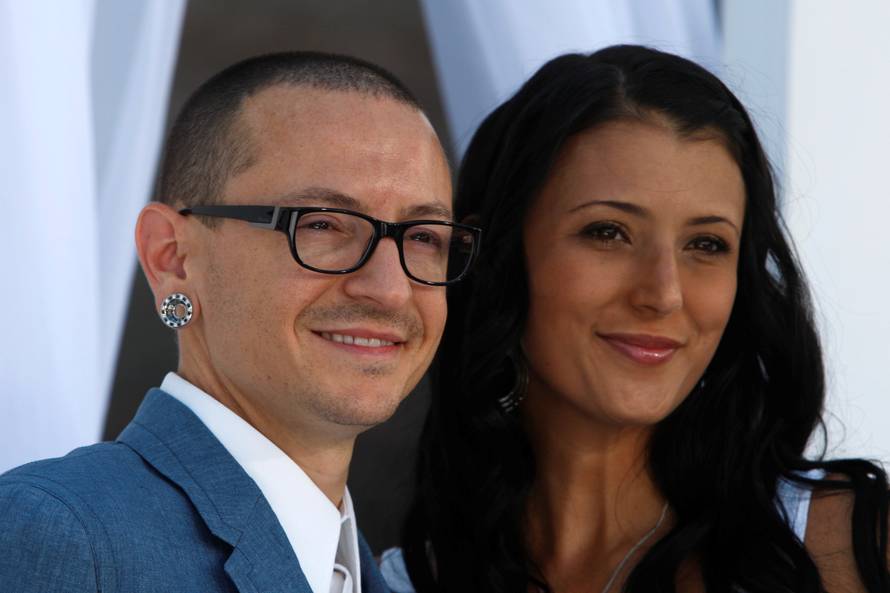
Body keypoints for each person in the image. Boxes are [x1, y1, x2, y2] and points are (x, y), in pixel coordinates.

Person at [382, 45, 889, 592]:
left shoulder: (853, 545)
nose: (664, 294)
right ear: (495, 255)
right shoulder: (400, 581)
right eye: (608, 232)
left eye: (706, 244)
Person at [0, 52, 480, 593]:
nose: (390, 289)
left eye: (424, 237)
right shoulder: (60, 533)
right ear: (172, 257)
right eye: (322, 224)